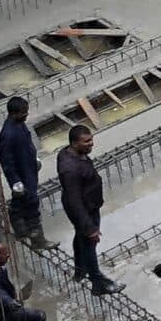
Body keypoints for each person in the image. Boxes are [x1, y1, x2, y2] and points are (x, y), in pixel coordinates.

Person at [56, 124, 113, 295]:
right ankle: (97, 283)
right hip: (85, 209)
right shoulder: (70, 169)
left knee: (80, 237)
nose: (91, 144)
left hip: (89, 205)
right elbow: (75, 201)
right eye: (86, 141)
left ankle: (80, 270)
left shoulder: (71, 154)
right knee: (90, 242)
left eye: (91, 139)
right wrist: (90, 228)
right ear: (74, 143)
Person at [0, 98, 45, 245]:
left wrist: (34, 158)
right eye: (24, 112)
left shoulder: (20, 125)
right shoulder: (8, 134)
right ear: (13, 113)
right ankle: (36, 237)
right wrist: (14, 181)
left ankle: (22, 230)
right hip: (21, 173)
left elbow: (28, 144)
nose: (26, 115)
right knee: (31, 200)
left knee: (23, 200)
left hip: (28, 168)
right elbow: (6, 161)